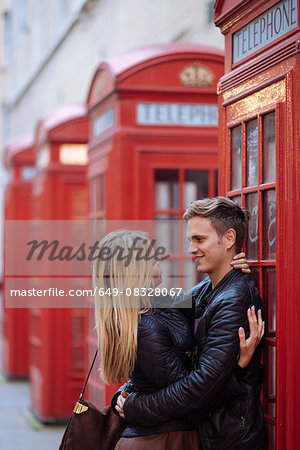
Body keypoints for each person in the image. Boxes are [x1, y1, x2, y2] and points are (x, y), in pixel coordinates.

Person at [115, 198, 267, 450]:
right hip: (207, 433)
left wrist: (134, 406)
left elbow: (199, 389)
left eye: (199, 240)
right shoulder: (214, 289)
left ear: (229, 239)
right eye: (190, 240)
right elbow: (156, 356)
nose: (191, 249)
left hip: (227, 438)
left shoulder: (233, 300)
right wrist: (124, 394)